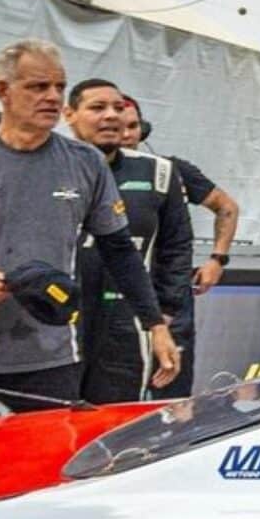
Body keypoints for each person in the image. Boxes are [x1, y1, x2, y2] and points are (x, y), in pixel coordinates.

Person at [0, 41, 178, 410]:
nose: (53, 97)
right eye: (38, 87)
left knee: (45, 463)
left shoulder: (85, 162)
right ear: (2, 91)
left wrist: (156, 324)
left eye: (59, 86)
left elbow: (120, 251)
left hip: (49, 355)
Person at [66, 79, 193, 404]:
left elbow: (176, 246)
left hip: (128, 318)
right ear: (70, 114)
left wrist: (165, 310)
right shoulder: (50, 167)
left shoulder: (159, 172)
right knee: (53, 421)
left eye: (118, 108)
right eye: (97, 108)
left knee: (117, 421)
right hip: (60, 319)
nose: (111, 116)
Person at [124, 95, 242, 398]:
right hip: (112, 298)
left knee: (173, 396)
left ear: (143, 130)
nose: (124, 134)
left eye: (132, 126)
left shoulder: (169, 170)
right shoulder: (83, 171)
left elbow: (226, 207)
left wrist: (217, 259)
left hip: (168, 294)